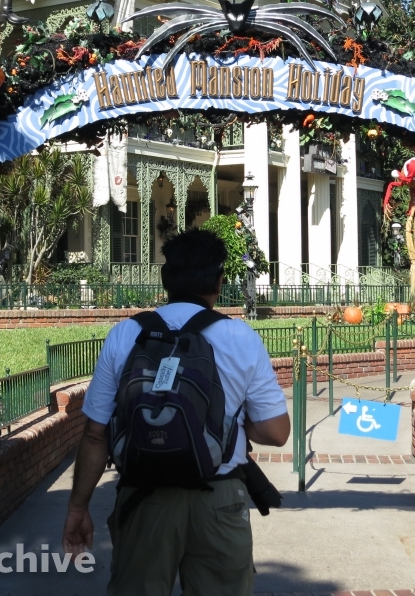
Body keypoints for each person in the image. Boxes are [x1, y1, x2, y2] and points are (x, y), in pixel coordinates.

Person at [61, 228, 290, 595]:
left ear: (166, 279)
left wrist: (77, 507)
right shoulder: (240, 337)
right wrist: (230, 425)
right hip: (218, 499)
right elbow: (277, 432)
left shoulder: (125, 334)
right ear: (219, 282)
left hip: (143, 499)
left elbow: (94, 434)